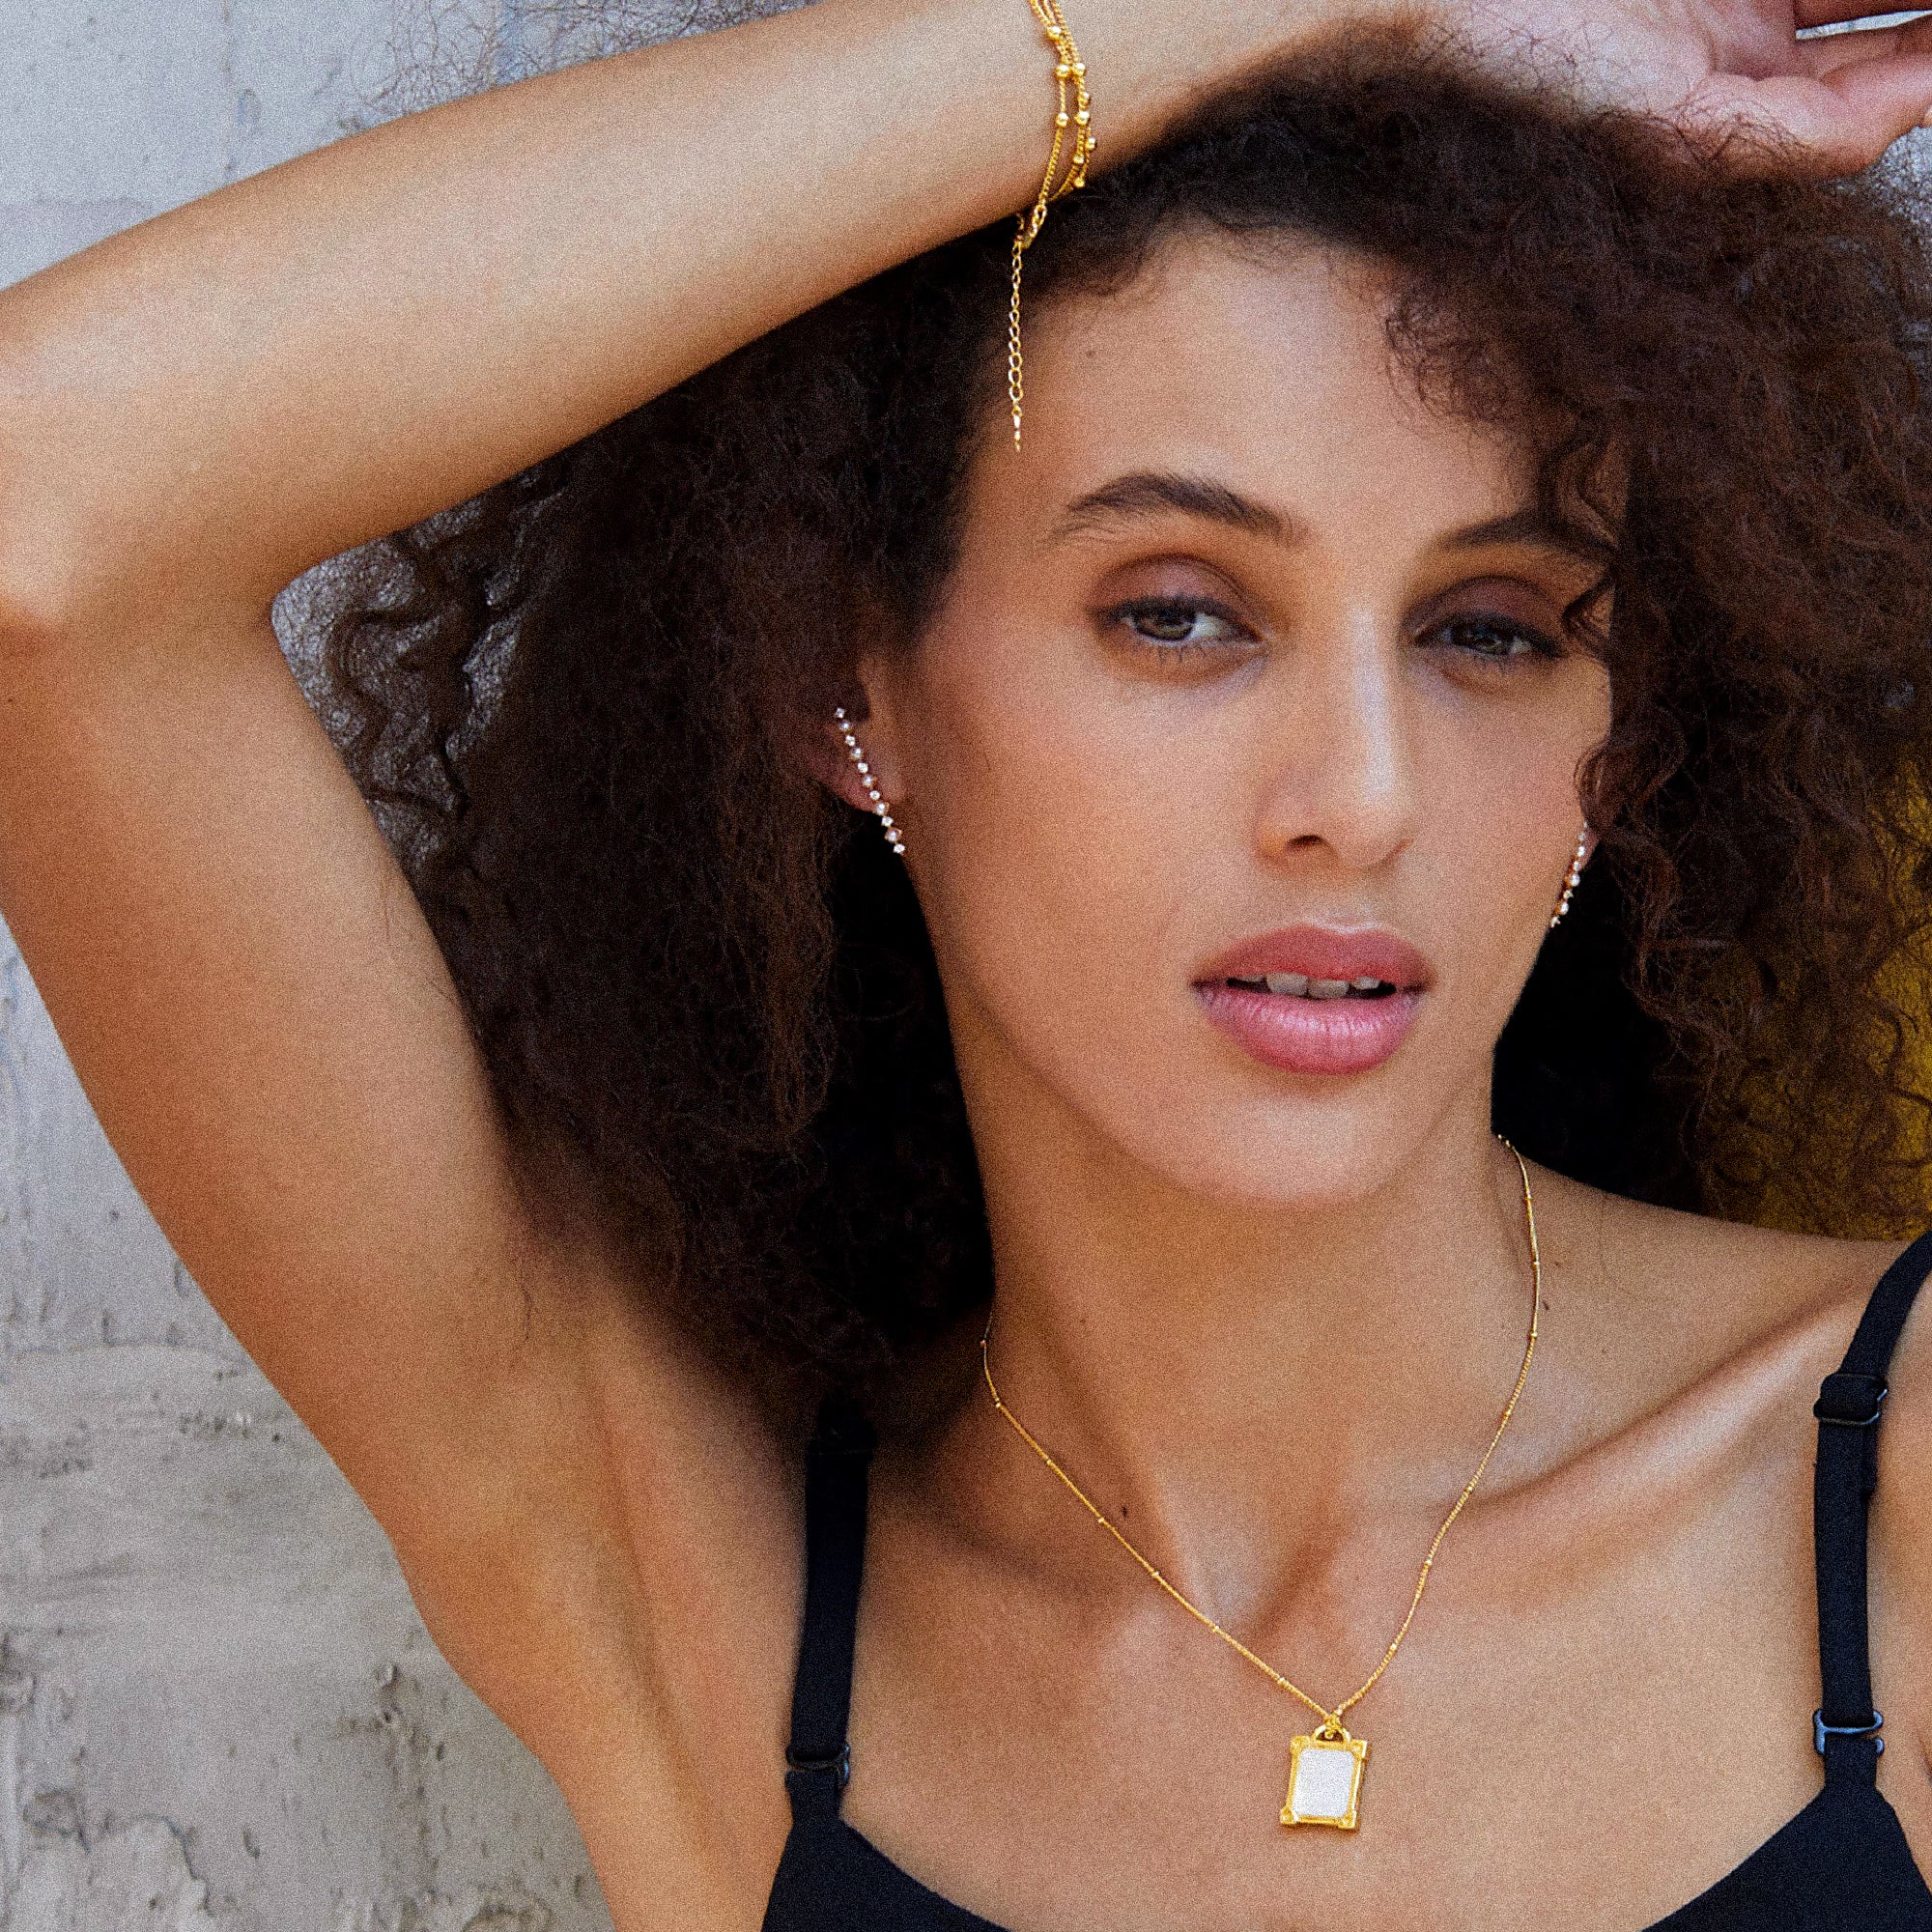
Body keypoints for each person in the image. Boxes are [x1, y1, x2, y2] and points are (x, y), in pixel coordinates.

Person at [7, 0, 1932, 1923]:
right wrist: (1324, 4)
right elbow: (47, 509)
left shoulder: (1893, 1460)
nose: (1361, 798)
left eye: (1492, 630)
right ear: (841, 686)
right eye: (1177, 614)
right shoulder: (713, 1590)